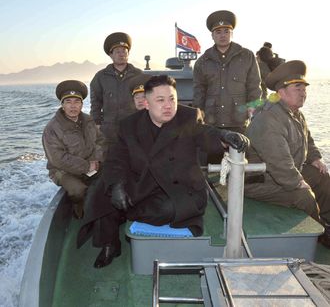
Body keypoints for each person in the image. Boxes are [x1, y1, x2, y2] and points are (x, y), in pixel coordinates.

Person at [77, 75, 249, 268]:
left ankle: (127, 212)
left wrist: (224, 136)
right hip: (143, 182)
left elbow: (205, 132)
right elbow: (116, 159)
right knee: (101, 191)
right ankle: (110, 244)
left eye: (172, 99)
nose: (168, 105)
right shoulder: (129, 125)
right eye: (160, 100)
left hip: (178, 187)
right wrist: (117, 186)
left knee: (168, 209)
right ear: (146, 103)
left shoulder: (188, 117)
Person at [244, 60, 330, 248]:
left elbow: (307, 139)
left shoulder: (294, 113)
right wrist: (298, 183)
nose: (303, 92)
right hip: (259, 181)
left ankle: (326, 222)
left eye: (304, 88)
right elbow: (279, 162)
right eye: (297, 87)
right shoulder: (268, 118)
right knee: (304, 198)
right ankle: (320, 237)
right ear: (281, 92)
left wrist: (314, 158)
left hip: (282, 173)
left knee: (323, 179)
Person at [42, 80, 107, 219]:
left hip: (91, 164)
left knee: (112, 178)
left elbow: (101, 141)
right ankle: (79, 213)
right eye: (68, 102)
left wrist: (95, 160)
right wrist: (86, 166)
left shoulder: (88, 120)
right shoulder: (52, 128)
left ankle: (103, 213)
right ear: (62, 105)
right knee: (78, 190)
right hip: (63, 171)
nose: (73, 106)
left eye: (76, 102)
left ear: (82, 105)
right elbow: (57, 158)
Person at [193, 10, 262, 135]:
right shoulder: (202, 61)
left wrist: (253, 107)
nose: (222, 35)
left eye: (226, 31)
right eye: (218, 32)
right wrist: (199, 112)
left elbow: (254, 86)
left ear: (232, 34)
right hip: (212, 122)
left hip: (239, 121)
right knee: (212, 154)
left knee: (239, 154)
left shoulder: (247, 56)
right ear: (212, 36)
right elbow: (199, 90)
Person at [90, 32, 143, 145]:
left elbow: (149, 100)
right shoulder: (100, 77)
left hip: (134, 129)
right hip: (109, 132)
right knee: (109, 161)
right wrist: (97, 124)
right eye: (117, 51)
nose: (121, 54)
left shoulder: (139, 75)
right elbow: (95, 104)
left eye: (124, 51)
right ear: (111, 55)